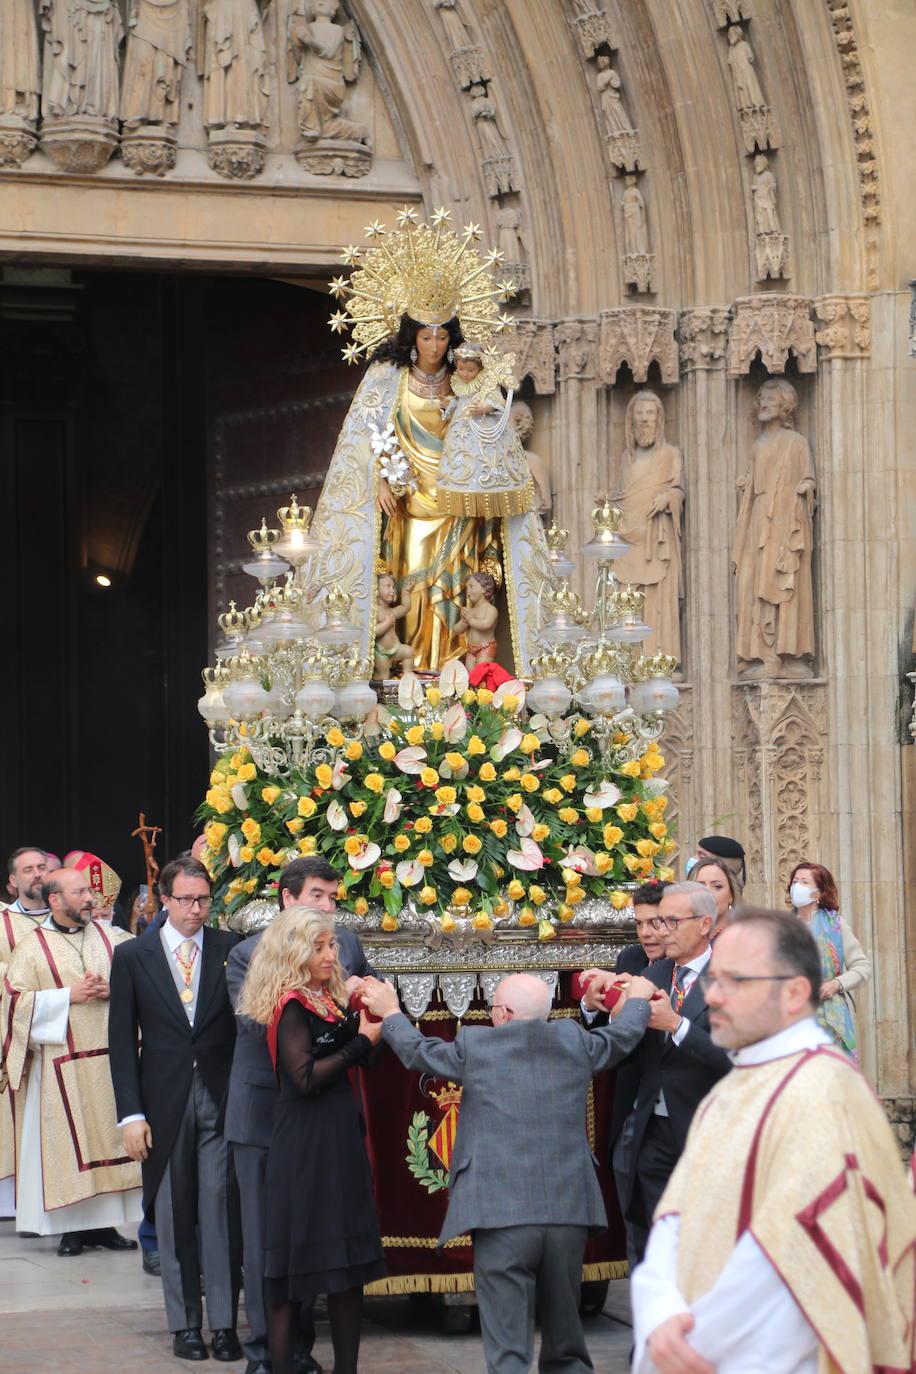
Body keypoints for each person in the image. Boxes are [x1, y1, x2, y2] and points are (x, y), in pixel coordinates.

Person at [632, 909, 916, 1373]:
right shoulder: (731, 1088)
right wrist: (658, 1312)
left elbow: (791, 1262)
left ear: (795, 992)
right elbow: (674, 1217)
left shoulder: (825, 1091)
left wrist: (692, 1338)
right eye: (714, 979)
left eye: (735, 981)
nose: (714, 996)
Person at [361, 969, 657, 1374]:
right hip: (567, 1211)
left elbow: (417, 1052)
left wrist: (392, 1011)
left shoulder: (478, 1045)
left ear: (504, 1013)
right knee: (567, 1342)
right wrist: (638, 998)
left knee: (508, 1351)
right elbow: (623, 1037)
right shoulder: (574, 1041)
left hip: (500, 1213)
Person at [310, 212, 552, 676]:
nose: (435, 345)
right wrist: (380, 475)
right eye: (426, 335)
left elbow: (492, 432)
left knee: (458, 583)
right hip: (407, 497)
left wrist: (487, 421)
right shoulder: (387, 379)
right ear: (410, 335)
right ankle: (411, 670)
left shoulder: (470, 381)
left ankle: (451, 673)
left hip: (459, 495)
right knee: (412, 579)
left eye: (443, 335)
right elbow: (363, 438)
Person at [225, 856, 375, 1374]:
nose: (328, 911)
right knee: (277, 1248)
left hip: (329, 1120)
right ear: (288, 899)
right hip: (272, 1113)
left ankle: (311, 1359)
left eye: (333, 899)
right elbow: (260, 1030)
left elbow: (364, 1004)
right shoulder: (251, 956)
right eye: (318, 896)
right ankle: (270, 1358)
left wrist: (360, 1003)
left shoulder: (342, 952)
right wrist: (355, 1035)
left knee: (330, 1247)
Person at [108, 856, 243, 1363]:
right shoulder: (133, 956)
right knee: (173, 1213)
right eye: (186, 900)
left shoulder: (230, 950)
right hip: (162, 1101)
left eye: (204, 900)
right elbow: (121, 1042)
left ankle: (226, 1323)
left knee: (221, 1210)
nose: (196, 910)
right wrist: (130, 1115)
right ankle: (185, 1323)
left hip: (221, 1093)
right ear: (164, 900)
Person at [583, 883, 731, 1265]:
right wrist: (603, 1009)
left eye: (670, 921)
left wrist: (676, 1024)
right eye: (658, 920)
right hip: (649, 1131)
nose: (661, 930)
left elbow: (736, 1058)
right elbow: (617, 1044)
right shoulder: (653, 975)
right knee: (649, 1245)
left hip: (706, 1131)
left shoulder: (732, 977)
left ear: (703, 924)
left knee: (704, 1246)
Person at [2, 868, 141, 1254]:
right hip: (62, 1065)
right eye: (79, 892)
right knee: (70, 1139)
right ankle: (73, 1230)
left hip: (112, 1056)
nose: (89, 898)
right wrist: (68, 996)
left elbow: (144, 975)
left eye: (89, 891)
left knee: (112, 1136)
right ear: (55, 901)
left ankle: (107, 1227)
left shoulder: (112, 937)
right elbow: (14, 1002)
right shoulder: (32, 946)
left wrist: (114, 988)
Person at [580, 880, 669, 1267]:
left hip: (676, 1111)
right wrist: (589, 1005)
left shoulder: (687, 968)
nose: (646, 933)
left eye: (655, 923)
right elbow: (607, 1036)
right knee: (634, 1215)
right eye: (639, 924)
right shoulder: (630, 960)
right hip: (633, 1107)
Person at [0, 846, 51, 1217]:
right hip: (11, 1037)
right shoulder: (2, 923)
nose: (37, 874)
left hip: (62, 1036)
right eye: (29, 869)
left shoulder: (69, 918)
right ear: (13, 881)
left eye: (42, 867)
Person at [787, 859, 871, 1058]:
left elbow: (862, 967)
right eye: (795, 881)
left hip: (829, 1021)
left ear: (819, 892)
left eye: (805, 882)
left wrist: (836, 984)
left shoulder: (836, 926)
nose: (797, 886)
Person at [454, 569, 499, 669]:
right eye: (467, 588)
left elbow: (486, 625)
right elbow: (457, 630)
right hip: (471, 649)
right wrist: (464, 620)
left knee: (480, 674)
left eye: (471, 586)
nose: (468, 591)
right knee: (471, 678)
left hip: (485, 647)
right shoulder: (472, 611)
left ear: (484, 588)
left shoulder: (490, 609)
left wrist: (470, 619)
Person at [690, 857, 741, 937]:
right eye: (699, 886)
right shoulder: (681, 935)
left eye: (717, 886)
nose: (708, 893)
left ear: (731, 895)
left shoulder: (744, 936)